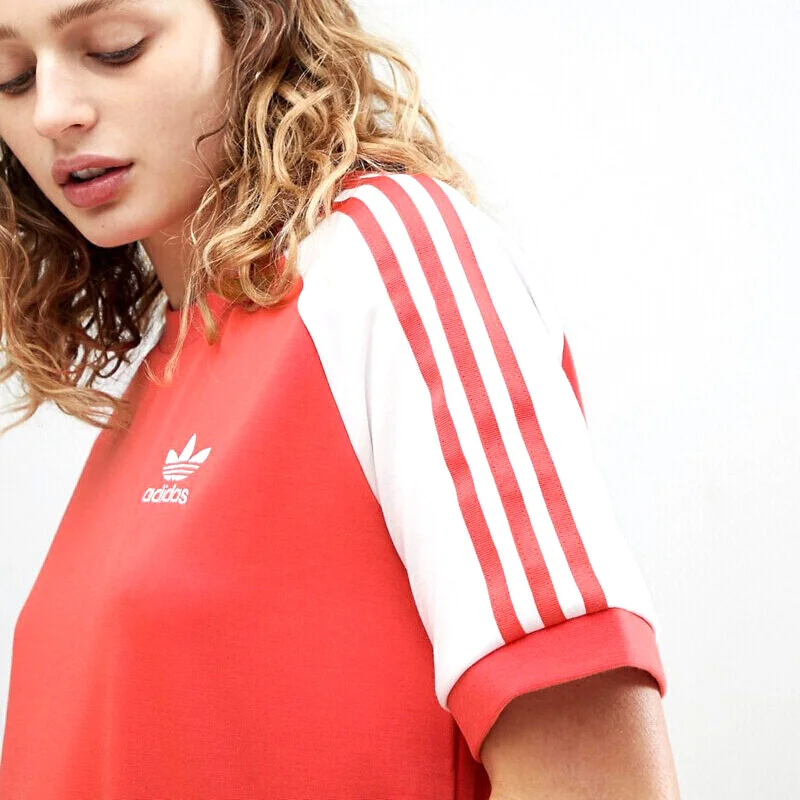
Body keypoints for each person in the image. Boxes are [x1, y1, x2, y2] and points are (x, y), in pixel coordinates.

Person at [0, 0, 681, 797]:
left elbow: (598, 770)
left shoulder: (386, 262)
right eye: (11, 78)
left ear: (252, 25)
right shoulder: (167, 373)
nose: (52, 113)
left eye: (115, 48)